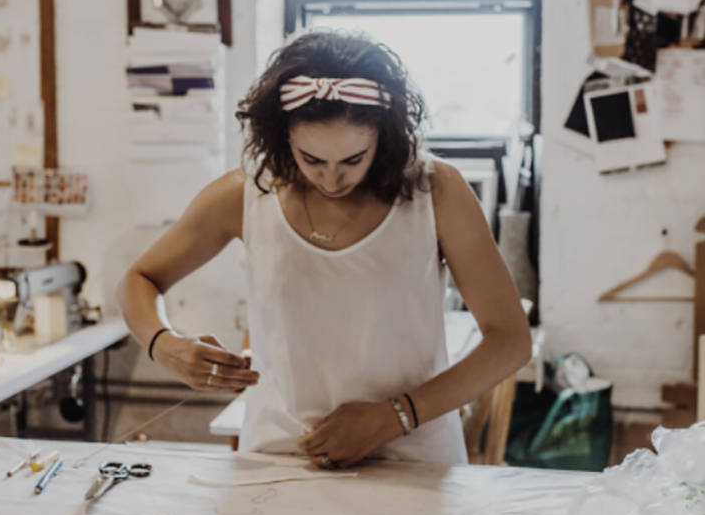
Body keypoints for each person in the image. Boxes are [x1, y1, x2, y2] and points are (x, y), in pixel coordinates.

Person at [116, 31, 531, 469]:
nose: (332, 180)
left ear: (384, 137)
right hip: (281, 455)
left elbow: (510, 340)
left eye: (353, 160)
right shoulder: (246, 194)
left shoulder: (436, 192)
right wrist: (165, 345)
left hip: (413, 458)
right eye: (311, 159)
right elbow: (138, 281)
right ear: (282, 139)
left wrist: (395, 416)